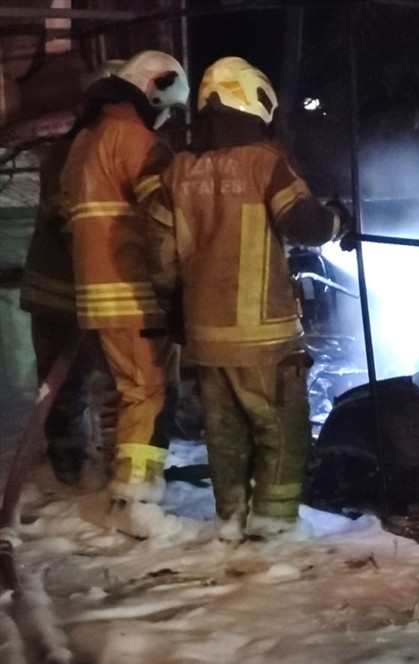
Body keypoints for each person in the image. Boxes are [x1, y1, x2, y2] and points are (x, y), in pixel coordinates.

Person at [139, 57, 345, 542]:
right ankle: (273, 530)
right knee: (280, 430)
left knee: (225, 434)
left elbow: (161, 255)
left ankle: (230, 522)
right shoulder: (264, 161)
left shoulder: (179, 171)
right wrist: (340, 219)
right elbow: (306, 225)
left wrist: (177, 313)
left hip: (206, 334)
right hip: (264, 335)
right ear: (252, 101)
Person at [59, 50, 189, 535]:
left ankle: (120, 486)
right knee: (148, 394)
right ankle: (135, 500)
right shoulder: (137, 141)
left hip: (92, 295)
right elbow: (166, 219)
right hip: (134, 290)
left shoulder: (83, 143)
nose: (165, 116)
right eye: (167, 105)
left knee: (123, 391)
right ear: (152, 88)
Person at [19, 60, 125, 488]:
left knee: (62, 385)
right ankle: (89, 474)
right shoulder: (94, 147)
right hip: (77, 290)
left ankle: (69, 470)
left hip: (52, 290)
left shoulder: (68, 146)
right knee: (103, 384)